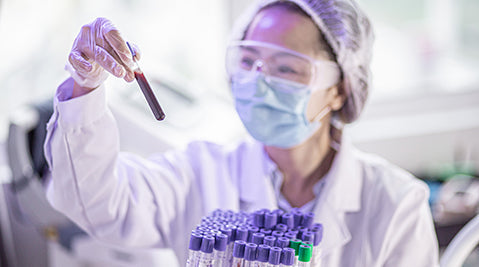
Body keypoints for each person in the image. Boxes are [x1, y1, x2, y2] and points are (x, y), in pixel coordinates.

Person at [44, 0, 440, 266]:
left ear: (340, 89)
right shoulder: (199, 170)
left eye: (285, 68)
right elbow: (96, 203)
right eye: (248, 60)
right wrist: (86, 85)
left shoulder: (396, 204)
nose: (257, 81)